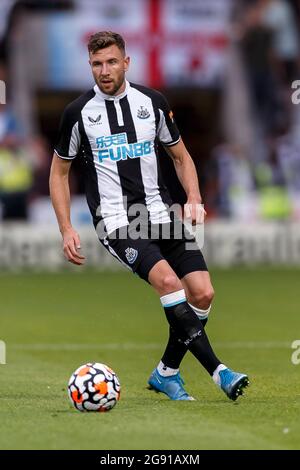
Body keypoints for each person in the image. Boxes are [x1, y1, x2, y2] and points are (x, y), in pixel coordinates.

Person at [49, 31, 249, 401]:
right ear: (89, 65)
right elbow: (58, 172)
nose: (104, 70)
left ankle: (166, 373)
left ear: (127, 62)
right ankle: (219, 371)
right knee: (170, 284)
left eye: (111, 62)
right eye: (96, 64)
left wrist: (194, 197)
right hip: (117, 221)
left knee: (203, 293)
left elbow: (181, 156)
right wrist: (66, 228)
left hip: (162, 211)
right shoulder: (78, 113)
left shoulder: (152, 103)